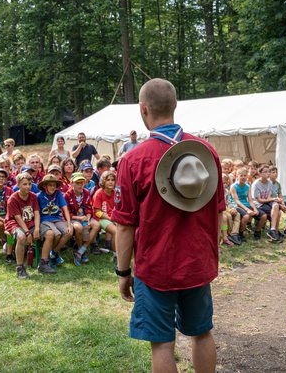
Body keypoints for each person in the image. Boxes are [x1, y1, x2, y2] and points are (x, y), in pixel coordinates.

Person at [111, 78, 224, 373]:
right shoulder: (206, 151)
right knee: (202, 333)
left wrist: (123, 271)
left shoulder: (133, 159)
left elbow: (124, 226)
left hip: (155, 267)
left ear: (143, 109)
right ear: (175, 105)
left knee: (162, 344)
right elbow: (220, 212)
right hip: (197, 262)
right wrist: (211, 253)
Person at [5, 172, 40, 279]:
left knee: (47, 233)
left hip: (30, 222)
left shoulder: (33, 196)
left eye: (29, 184)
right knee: (21, 237)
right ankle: (20, 267)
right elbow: (18, 218)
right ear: (18, 185)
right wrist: (28, 232)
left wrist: (37, 229)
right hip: (14, 223)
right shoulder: (13, 199)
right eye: (24, 184)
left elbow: (37, 213)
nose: (28, 186)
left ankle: (44, 261)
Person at [37, 174, 73, 272]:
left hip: (57, 219)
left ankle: (54, 253)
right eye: (50, 185)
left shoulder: (58, 194)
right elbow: (36, 212)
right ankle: (48, 258)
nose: (53, 187)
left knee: (68, 232)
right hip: (45, 220)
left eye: (54, 185)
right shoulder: (39, 196)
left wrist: (69, 225)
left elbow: (65, 209)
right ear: (45, 186)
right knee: (56, 234)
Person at [64, 172, 100, 266]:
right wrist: (79, 218)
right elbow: (66, 213)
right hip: (73, 218)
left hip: (84, 218)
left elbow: (88, 208)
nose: (80, 185)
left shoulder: (86, 192)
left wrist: (88, 219)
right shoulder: (67, 195)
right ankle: (80, 250)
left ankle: (81, 251)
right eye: (77, 183)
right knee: (79, 228)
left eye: (82, 182)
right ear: (71, 183)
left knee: (96, 225)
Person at [230, 167, 264, 240]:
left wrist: (255, 209)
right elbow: (236, 200)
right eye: (241, 175)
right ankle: (240, 233)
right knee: (246, 216)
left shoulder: (248, 186)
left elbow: (250, 200)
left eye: (245, 175)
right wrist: (247, 210)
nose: (243, 177)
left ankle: (257, 231)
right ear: (237, 176)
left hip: (246, 204)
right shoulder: (233, 186)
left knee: (263, 216)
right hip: (236, 206)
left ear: (247, 176)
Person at [92, 170, 118, 255]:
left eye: (112, 180)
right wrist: (111, 219)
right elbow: (97, 212)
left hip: (112, 217)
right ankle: (116, 255)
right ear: (103, 181)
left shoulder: (115, 192)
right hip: (101, 218)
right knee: (116, 231)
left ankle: (108, 245)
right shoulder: (99, 193)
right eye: (108, 180)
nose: (111, 182)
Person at [269, 166, 286, 238]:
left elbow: (280, 195)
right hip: (271, 201)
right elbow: (268, 197)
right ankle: (275, 230)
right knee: (279, 211)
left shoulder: (278, 184)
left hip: (278, 200)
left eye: (276, 172)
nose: (276, 174)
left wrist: (283, 204)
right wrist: (280, 205)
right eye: (273, 172)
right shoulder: (267, 184)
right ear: (269, 174)